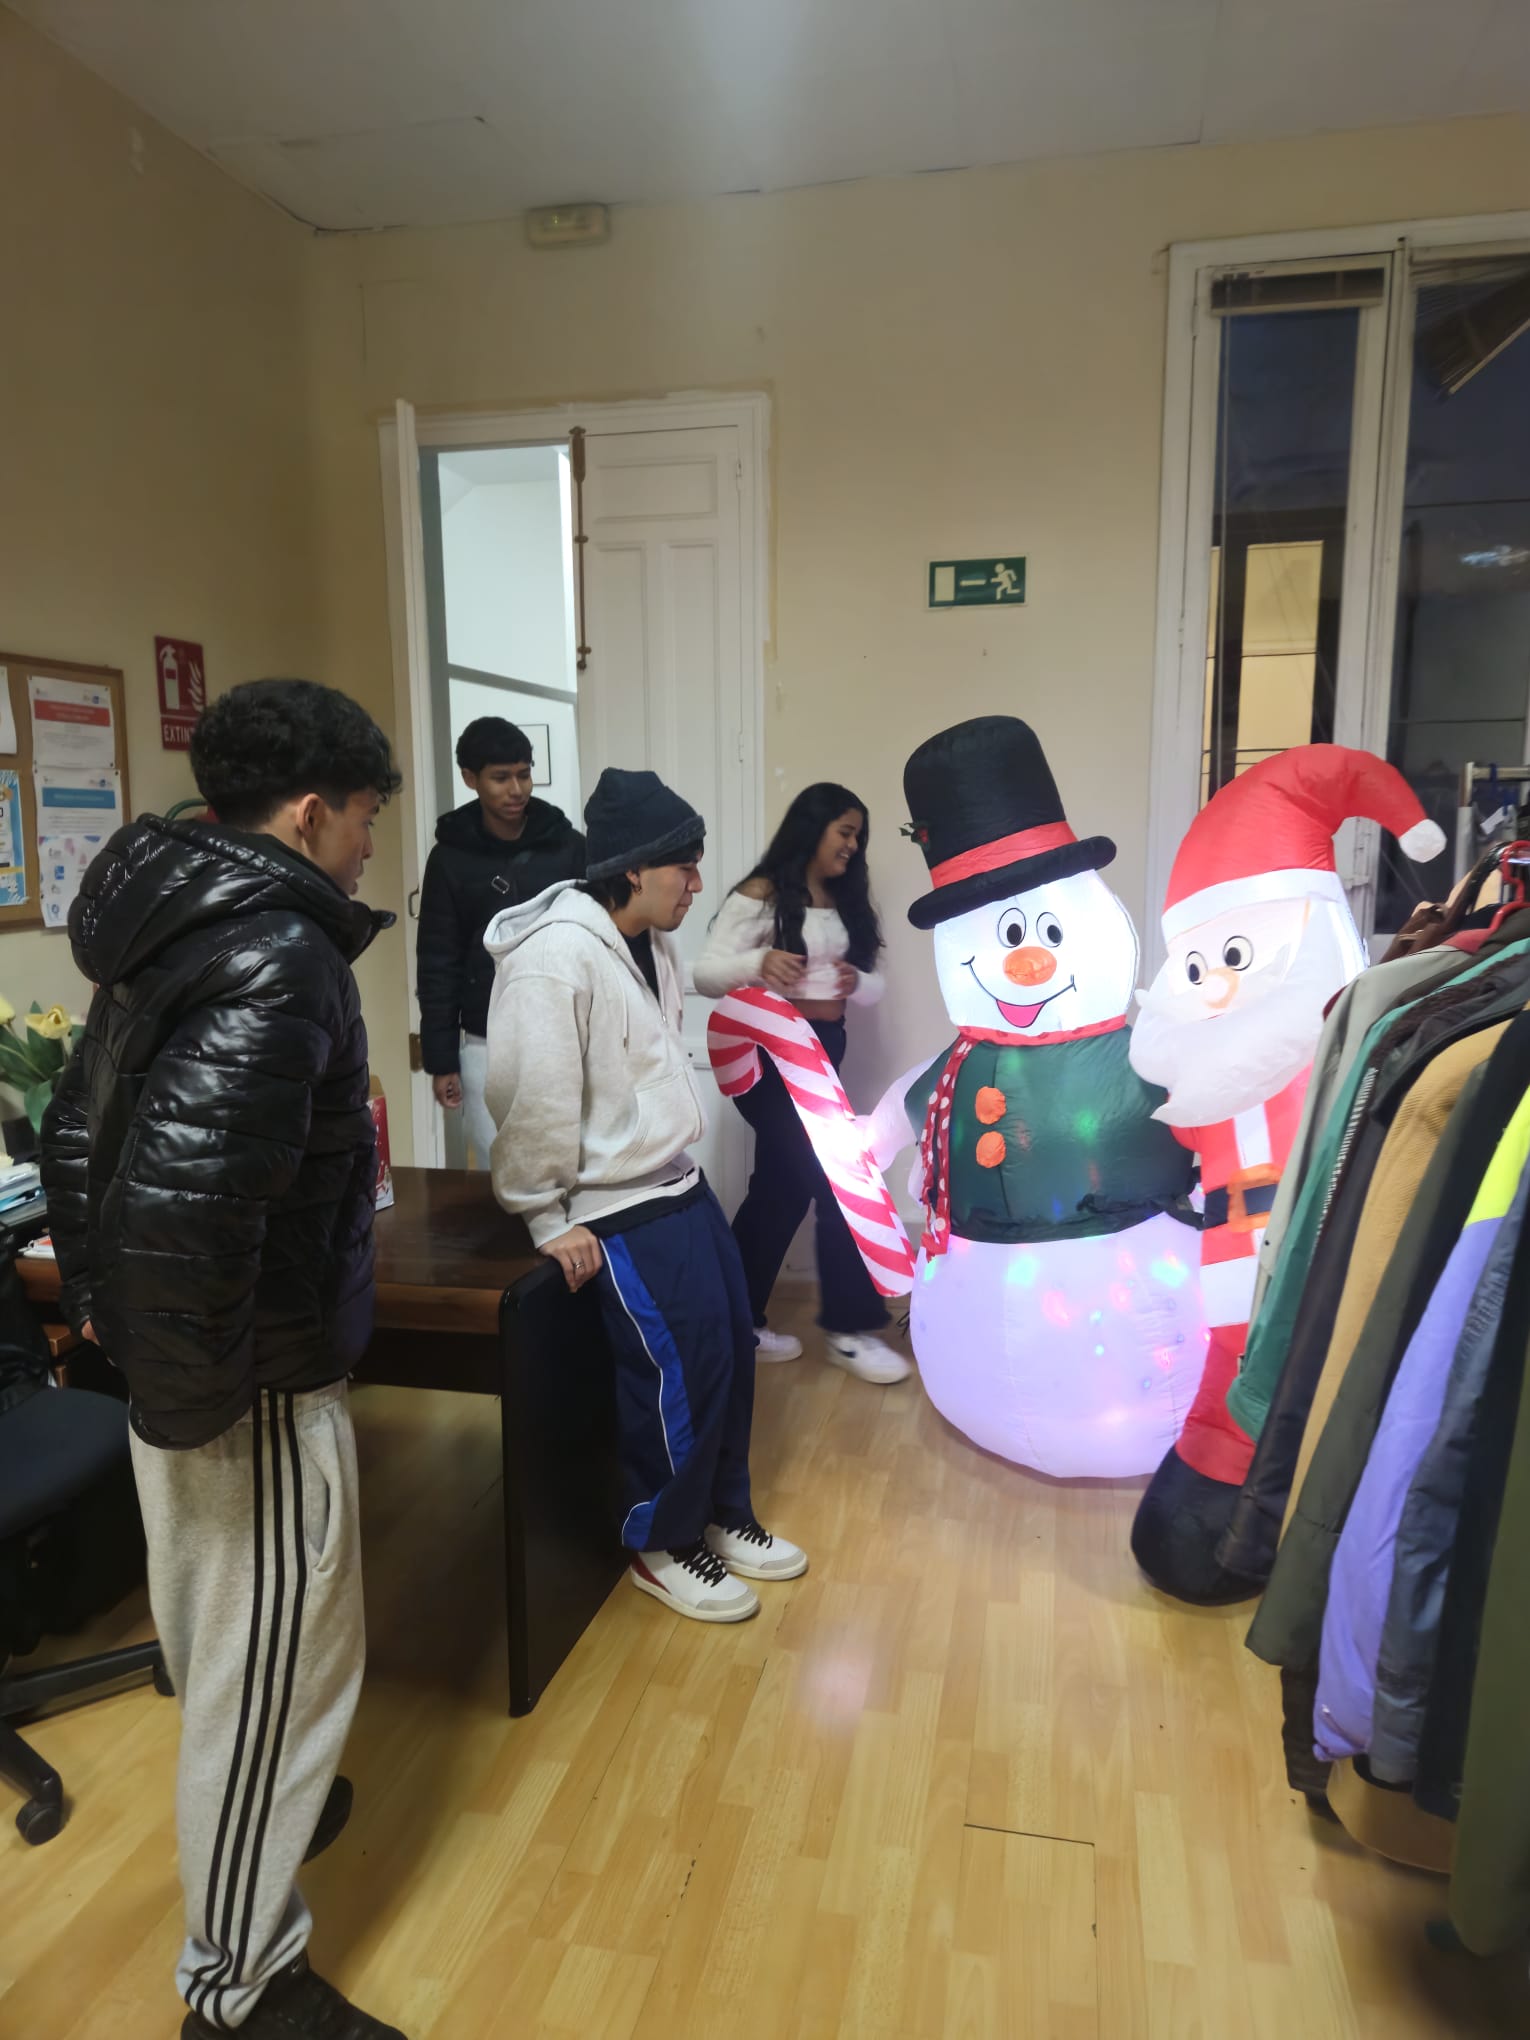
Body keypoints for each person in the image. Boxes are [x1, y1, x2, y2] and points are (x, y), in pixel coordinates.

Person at [41, 679, 408, 2040]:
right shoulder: (280, 952)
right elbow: (192, 1217)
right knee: (276, 1668)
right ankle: (240, 1988)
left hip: (191, 1371)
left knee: (236, 1651)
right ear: (308, 814)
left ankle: (271, 1812)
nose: (366, 847)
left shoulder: (172, 918)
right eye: (363, 819)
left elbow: (73, 1132)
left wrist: (110, 1322)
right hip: (245, 1384)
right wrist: (208, 1417)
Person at [482, 767, 808, 1623]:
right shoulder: (553, 959)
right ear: (633, 868)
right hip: (611, 1201)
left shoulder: (652, 946)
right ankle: (662, 1543)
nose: (697, 884)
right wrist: (543, 1214)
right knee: (678, 1365)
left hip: (674, 1178)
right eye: (684, 867)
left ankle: (721, 1512)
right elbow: (530, 1096)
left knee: (730, 1342)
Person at [695, 784, 909, 1385]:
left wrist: (854, 982)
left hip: (826, 1047)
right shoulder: (761, 895)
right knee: (838, 1179)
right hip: (769, 1058)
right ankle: (849, 1328)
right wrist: (757, 964)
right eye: (845, 831)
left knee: (779, 1190)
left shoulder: (846, 900)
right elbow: (705, 974)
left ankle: (734, 1323)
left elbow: (874, 985)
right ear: (812, 828)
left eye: (858, 835)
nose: (853, 845)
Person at [416, 716, 585, 1163]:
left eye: (524, 774)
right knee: (503, 1168)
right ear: (470, 778)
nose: (516, 789)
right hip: (484, 1040)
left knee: (571, 1165)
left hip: (563, 1030)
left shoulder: (567, 845)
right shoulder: (449, 859)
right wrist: (441, 1060)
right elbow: (438, 961)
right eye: (501, 777)